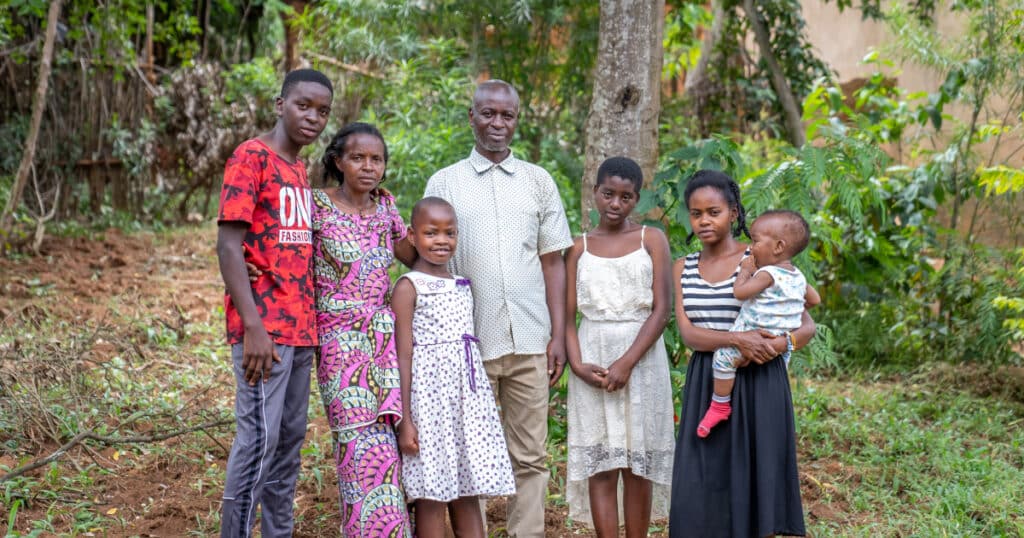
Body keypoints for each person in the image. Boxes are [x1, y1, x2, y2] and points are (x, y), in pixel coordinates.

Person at [423, 79, 573, 537]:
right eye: (488, 113)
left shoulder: (538, 181)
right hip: (469, 341)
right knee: (472, 452)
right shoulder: (445, 182)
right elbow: (430, 260)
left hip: (531, 337)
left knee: (531, 455)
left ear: (517, 120)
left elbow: (553, 262)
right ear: (472, 117)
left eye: (507, 115)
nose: (497, 123)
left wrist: (560, 335)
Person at [215, 68, 333, 538]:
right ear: (279, 104)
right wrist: (253, 327)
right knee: (258, 444)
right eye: (303, 105)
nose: (312, 117)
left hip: (302, 330)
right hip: (265, 333)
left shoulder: (299, 169)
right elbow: (228, 247)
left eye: (322, 111)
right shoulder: (252, 157)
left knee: (287, 445)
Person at [668, 170, 814, 538]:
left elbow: (806, 324)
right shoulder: (683, 267)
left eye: (713, 211)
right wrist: (737, 341)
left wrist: (776, 346)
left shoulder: (762, 259)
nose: (704, 220)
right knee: (701, 482)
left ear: (734, 213)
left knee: (755, 481)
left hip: (761, 378)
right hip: (711, 379)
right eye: (696, 213)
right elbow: (688, 334)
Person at [311, 122, 415, 536]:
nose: (368, 166)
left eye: (376, 159)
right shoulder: (316, 207)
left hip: (384, 339)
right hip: (339, 343)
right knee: (358, 445)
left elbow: (415, 256)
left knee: (394, 441)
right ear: (338, 161)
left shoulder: (386, 208)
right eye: (358, 157)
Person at [563, 157, 675, 536]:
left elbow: (662, 310)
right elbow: (565, 317)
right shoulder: (578, 248)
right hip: (592, 355)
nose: (615, 203)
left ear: (637, 200)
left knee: (636, 461)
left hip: (641, 358)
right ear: (595, 193)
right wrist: (578, 365)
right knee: (602, 461)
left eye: (626, 197)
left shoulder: (651, 239)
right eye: (608, 193)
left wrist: (626, 363)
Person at [393, 197, 516, 538]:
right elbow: (402, 355)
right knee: (431, 494)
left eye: (450, 233)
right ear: (412, 237)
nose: (441, 241)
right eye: (431, 233)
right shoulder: (408, 287)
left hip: (466, 406)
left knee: (467, 491)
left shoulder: (462, 284)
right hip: (428, 407)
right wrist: (405, 420)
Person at [697, 210, 821, 438]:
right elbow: (814, 300)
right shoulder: (798, 276)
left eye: (755, 241)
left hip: (753, 335)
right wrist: (787, 306)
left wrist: (745, 272)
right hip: (778, 344)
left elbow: (740, 293)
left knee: (722, 359)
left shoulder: (767, 274)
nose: (751, 247)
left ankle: (720, 405)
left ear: (778, 247)